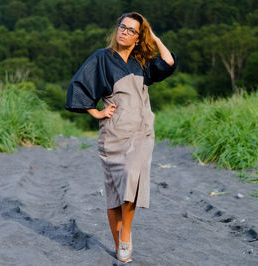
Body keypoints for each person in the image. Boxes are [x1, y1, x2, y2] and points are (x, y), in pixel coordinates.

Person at [65, 12, 177, 263]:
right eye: (122, 27)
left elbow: (168, 62)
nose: (124, 32)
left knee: (132, 179)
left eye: (131, 30)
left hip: (142, 131)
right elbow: (79, 86)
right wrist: (96, 112)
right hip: (114, 132)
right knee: (115, 192)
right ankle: (119, 245)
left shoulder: (143, 63)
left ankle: (126, 230)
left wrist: (155, 38)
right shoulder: (102, 58)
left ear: (138, 37)